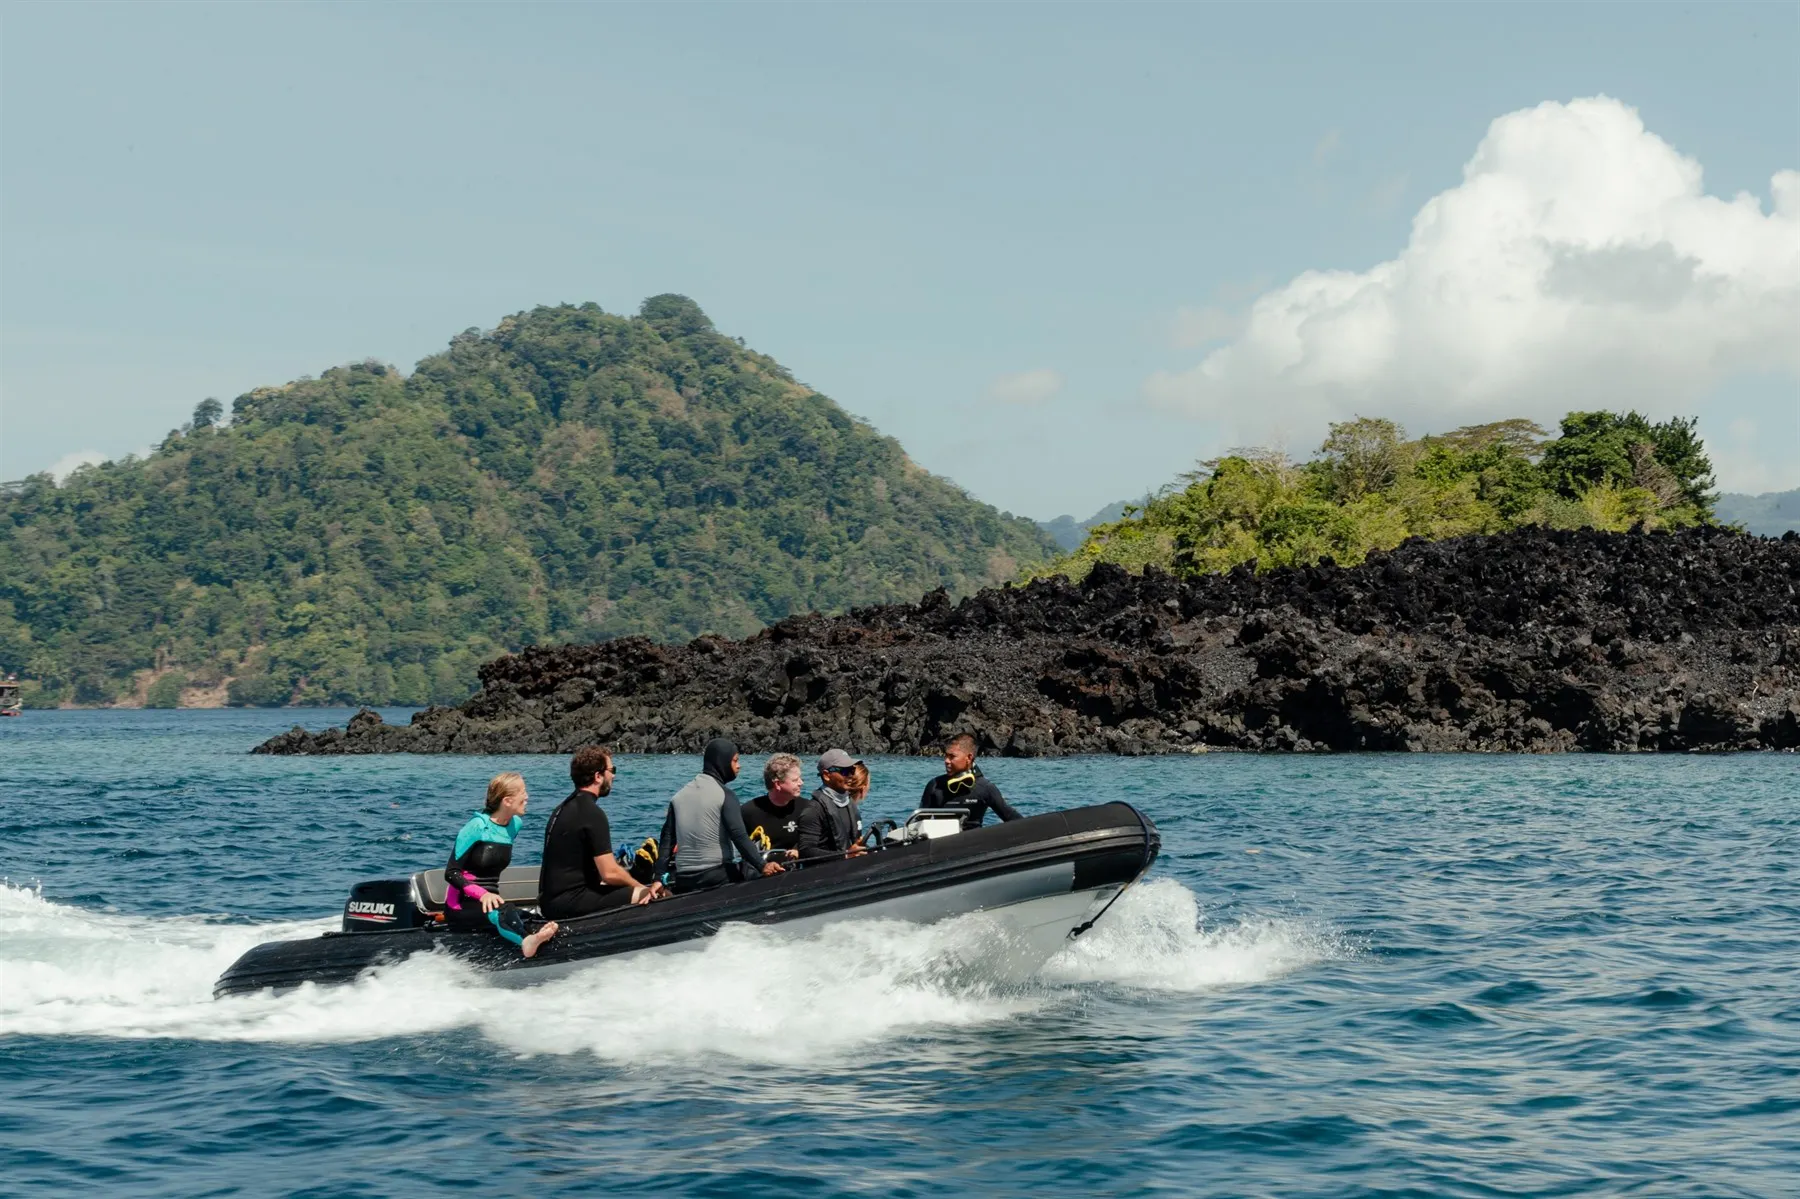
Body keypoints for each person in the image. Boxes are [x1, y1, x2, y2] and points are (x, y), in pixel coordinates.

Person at [540, 745, 662, 920]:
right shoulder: (592, 813)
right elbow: (610, 873)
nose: (613, 775)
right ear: (598, 776)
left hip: (551, 900)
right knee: (648, 896)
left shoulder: (563, 808)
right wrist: (642, 887)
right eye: (612, 770)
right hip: (568, 902)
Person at [444, 772, 559, 957]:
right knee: (504, 911)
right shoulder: (476, 827)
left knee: (528, 917)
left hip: (493, 902)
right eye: (523, 792)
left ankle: (536, 937)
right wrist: (482, 895)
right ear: (507, 801)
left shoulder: (515, 825)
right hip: (461, 905)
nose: (527, 796)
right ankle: (526, 943)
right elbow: (451, 873)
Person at [654, 738, 784, 892]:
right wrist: (762, 866)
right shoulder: (725, 794)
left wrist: (658, 879)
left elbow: (666, 841)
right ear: (722, 761)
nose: (739, 766)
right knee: (752, 870)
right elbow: (738, 835)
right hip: (716, 876)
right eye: (735, 760)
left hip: (685, 879)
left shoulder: (678, 796)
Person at [919, 733, 1021, 830]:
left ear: (969, 758)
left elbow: (1013, 819)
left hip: (974, 843)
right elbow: (918, 823)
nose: (946, 761)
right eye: (946, 756)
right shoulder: (935, 785)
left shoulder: (985, 788)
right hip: (941, 843)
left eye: (952, 756)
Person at [799, 748, 867, 861]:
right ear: (826, 775)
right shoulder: (813, 810)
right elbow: (806, 851)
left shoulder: (849, 803)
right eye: (844, 771)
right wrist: (845, 855)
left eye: (852, 770)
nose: (850, 775)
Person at [741, 752, 806, 860]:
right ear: (777, 784)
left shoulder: (807, 808)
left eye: (800, 778)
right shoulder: (748, 812)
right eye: (795, 780)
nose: (801, 783)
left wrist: (799, 851)